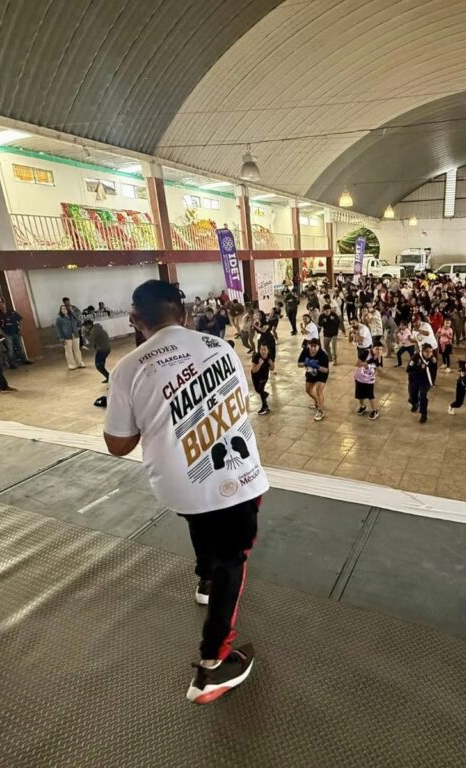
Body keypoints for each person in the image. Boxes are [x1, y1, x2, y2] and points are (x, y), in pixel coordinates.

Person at [103, 280, 266, 705]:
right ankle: (214, 663)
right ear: (186, 314)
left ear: (134, 319)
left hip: (177, 486)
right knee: (234, 557)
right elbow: (239, 403)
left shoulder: (127, 369)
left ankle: (205, 579)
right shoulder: (221, 348)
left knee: (201, 516)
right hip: (236, 478)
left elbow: (118, 444)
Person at [0, 300, 32, 366]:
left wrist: (20, 329)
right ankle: (12, 363)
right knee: (10, 349)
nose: (2, 306)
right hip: (7, 334)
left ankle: (24, 360)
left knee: (20, 347)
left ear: (4, 304)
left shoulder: (11, 311)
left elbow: (20, 319)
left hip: (16, 332)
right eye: (0, 306)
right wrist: (3, 333)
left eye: (2, 304)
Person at [298, 337, 330, 421]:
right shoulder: (305, 351)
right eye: (311, 346)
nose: (312, 348)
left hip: (321, 375)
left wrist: (317, 366)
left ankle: (320, 411)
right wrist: (305, 363)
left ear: (318, 346)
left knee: (318, 391)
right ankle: (317, 402)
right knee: (308, 390)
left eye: (314, 346)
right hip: (310, 373)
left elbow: (326, 370)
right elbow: (299, 364)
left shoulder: (323, 355)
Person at [353, 347, 380, 420]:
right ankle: (362, 406)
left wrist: (374, 363)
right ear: (373, 348)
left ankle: (375, 411)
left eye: (380, 349)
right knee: (359, 394)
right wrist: (368, 362)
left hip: (369, 380)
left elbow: (378, 368)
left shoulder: (379, 358)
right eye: (377, 349)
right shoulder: (366, 352)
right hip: (360, 378)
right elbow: (357, 364)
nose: (378, 351)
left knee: (370, 395)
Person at [56, 304, 85, 370]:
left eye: (65, 308)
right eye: (62, 309)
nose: (64, 310)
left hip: (75, 335)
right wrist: (61, 337)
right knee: (68, 351)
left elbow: (79, 321)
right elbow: (59, 329)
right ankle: (71, 364)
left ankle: (80, 362)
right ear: (60, 310)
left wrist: (78, 327)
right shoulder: (59, 319)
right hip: (66, 337)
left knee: (77, 349)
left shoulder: (72, 316)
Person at [84, 319, 112, 383]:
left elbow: (90, 340)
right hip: (105, 348)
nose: (85, 328)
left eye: (85, 326)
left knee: (99, 366)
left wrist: (85, 334)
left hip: (103, 350)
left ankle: (110, 378)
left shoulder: (95, 330)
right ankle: (109, 377)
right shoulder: (96, 328)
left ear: (89, 325)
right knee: (100, 366)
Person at [251, 342, 273, 415]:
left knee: (260, 390)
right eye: (261, 349)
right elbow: (254, 370)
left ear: (268, 350)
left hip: (264, 376)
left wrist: (271, 364)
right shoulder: (256, 357)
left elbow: (272, 368)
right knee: (258, 390)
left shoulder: (270, 356)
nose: (263, 351)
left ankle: (265, 407)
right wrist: (260, 364)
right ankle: (265, 394)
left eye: (264, 349)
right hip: (256, 376)